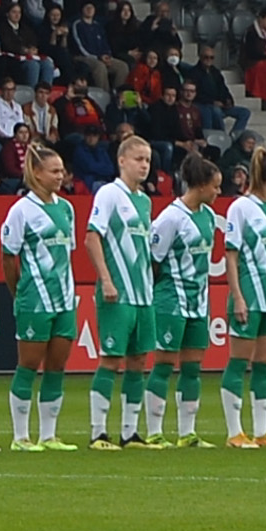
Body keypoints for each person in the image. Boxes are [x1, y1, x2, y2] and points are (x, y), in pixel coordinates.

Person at [75, 138, 152, 449]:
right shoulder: (109, 194)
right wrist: (106, 279)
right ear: (122, 161)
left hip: (143, 295)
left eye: (147, 159)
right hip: (117, 294)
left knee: (137, 362)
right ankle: (98, 432)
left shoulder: (145, 200)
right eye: (138, 159)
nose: (144, 165)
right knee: (110, 360)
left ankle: (130, 432)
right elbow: (92, 237)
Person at [149, 155, 226, 447]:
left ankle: (187, 433)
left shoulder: (206, 216)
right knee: (165, 363)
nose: (219, 192)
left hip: (199, 301)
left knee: (193, 366)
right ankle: (155, 432)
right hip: (172, 299)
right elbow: (153, 262)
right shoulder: (171, 218)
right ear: (201, 185)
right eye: (216, 187)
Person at [220, 150, 266, 449]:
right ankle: (235, 432)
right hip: (250, 297)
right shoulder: (241, 208)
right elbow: (231, 254)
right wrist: (237, 296)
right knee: (239, 361)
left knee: (264, 364)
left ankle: (262, 432)